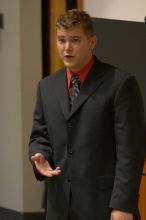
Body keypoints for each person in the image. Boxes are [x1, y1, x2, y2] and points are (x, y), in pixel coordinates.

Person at [29, 9, 146, 220]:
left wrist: (123, 205)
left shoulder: (120, 84)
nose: (67, 48)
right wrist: (40, 154)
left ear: (92, 42)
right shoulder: (46, 87)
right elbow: (39, 136)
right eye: (61, 40)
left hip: (104, 208)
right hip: (59, 207)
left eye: (75, 40)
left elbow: (131, 151)